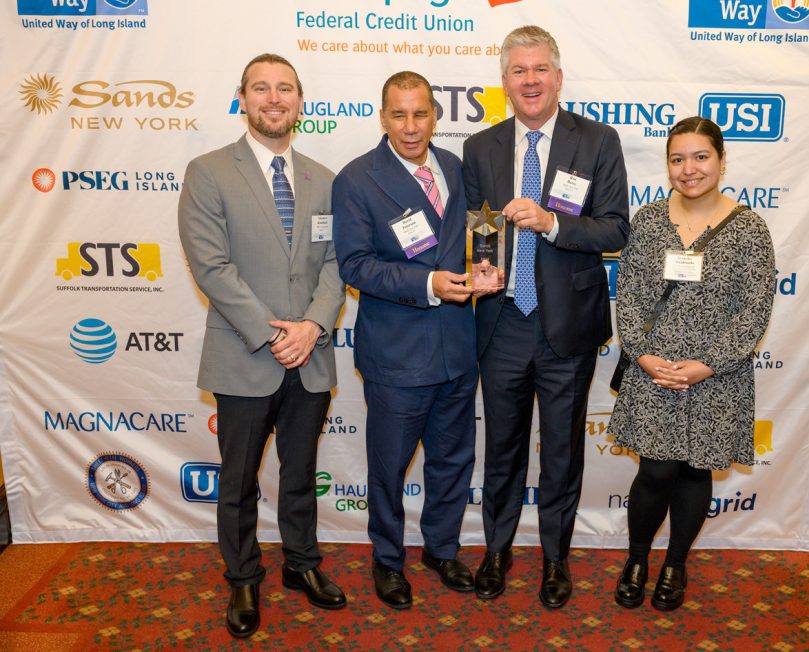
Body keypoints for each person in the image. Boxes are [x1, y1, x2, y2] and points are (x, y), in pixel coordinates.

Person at [177, 53, 347, 638]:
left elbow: (334, 265)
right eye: (261, 89)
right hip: (246, 355)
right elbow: (212, 266)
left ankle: (301, 565)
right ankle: (244, 577)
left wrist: (313, 327)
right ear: (242, 99)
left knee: (300, 473)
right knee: (239, 480)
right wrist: (277, 331)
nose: (274, 99)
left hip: (311, 354)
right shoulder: (208, 171)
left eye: (286, 89)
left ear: (300, 101)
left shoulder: (326, 179)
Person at [462, 25, 630, 608]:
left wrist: (553, 223)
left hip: (568, 327)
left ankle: (556, 558)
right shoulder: (480, 148)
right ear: (504, 80)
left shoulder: (598, 140)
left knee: (562, 451)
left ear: (558, 76)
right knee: (502, 448)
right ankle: (497, 549)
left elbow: (615, 228)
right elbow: (475, 225)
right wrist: (479, 266)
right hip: (502, 322)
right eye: (518, 71)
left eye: (540, 70)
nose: (530, 81)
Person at [609, 116, 775, 611]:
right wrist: (643, 354)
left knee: (695, 472)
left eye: (700, 157)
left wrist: (707, 364)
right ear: (667, 166)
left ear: (722, 161)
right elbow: (631, 296)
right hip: (653, 372)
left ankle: (676, 563)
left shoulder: (749, 229)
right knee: (656, 472)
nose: (689, 169)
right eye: (678, 159)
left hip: (714, 378)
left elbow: (756, 309)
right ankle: (637, 559)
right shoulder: (649, 220)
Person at [332, 71, 478, 610]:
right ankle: (388, 560)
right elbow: (355, 266)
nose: (411, 126)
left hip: (459, 347)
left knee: (453, 460)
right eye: (400, 114)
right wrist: (428, 284)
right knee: (389, 468)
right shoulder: (356, 179)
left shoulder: (457, 168)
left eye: (421, 114)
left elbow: (467, 242)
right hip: (397, 354)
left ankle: (441, 549)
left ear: (435, 115)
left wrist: (479, 274)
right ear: (383, 117)